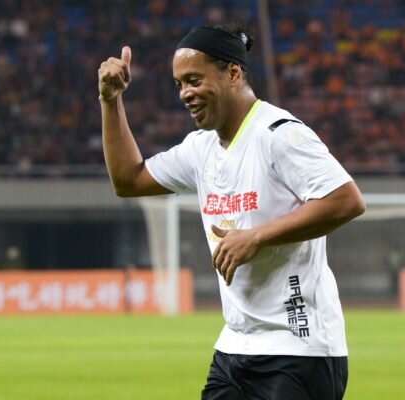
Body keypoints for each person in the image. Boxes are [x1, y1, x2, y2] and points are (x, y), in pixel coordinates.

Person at [98, 24, 365, 400]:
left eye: (194, 80)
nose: (185, 93)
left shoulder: (279, 134)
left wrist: (256, 236)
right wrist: (110, 101)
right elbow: (129, 180)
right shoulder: (200, 148)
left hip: (298, 348)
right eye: (179, 85)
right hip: (235, 346)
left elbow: (346, 199)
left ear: (233, 73)